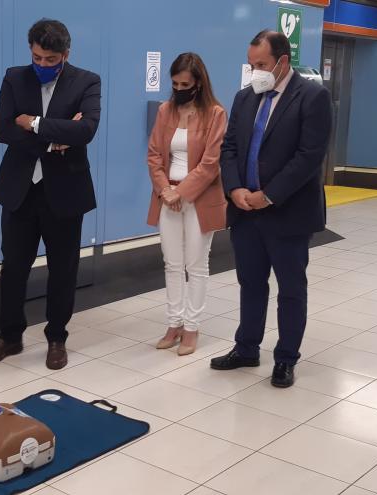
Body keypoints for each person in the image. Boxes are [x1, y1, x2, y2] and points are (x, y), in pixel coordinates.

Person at [210, 30, 332, 388]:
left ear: (283, 61)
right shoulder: (245, 98)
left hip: (288, 212)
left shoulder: (312, 97)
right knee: (250, 282)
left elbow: (309, 156)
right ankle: (246, 347)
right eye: (251, 65)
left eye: (261, 65)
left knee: (291, 288)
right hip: (245, 210)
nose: (256, 72)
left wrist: (269, 195)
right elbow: (229, 147)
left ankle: (286, 358)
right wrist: (234, 189)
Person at [0, 19, 101, 370]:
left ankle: (57, 338)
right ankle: (10, 336)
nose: (43, 65)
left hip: (65, 190)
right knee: (13, 266)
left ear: (66, 54)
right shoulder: (15, 77)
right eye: (37, 57)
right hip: (20, 188)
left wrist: (32, 123)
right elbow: (2, 129)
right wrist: (58, 135)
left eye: (51, 60)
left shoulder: (86, 81)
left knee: (63, 268)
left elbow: (87, 130)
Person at [146, 53, 227, 356]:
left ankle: (192, 327)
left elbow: (211, 163)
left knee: (196, 264)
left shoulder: (216, 113)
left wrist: (183, 193)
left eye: (185, 84)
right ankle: (173, 323)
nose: (179, 89)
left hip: (199, 198)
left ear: (198, 84)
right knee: (172, 263)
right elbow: (154, 154)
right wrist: (166, 190)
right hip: (168, 197)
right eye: (175, 83)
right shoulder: (166, 111)